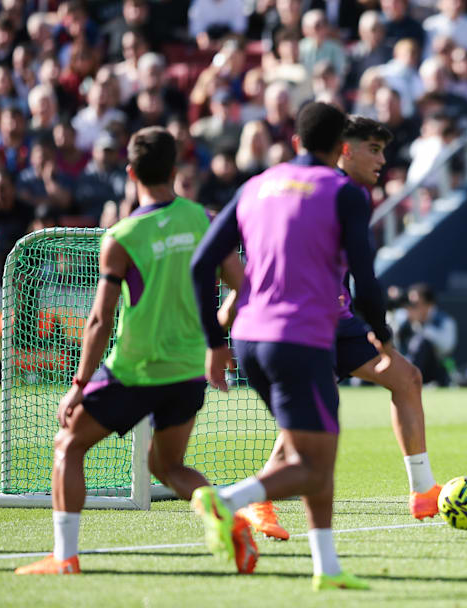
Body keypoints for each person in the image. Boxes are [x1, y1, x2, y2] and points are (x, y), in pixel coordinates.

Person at [15, 127, 253, 575]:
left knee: (68, 443)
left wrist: (79, 385)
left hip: (133, 369)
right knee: (169, 466)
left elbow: (99, 321)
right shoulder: (204, 218)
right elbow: (244, 285)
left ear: (130, 173)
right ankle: (228, 518)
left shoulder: (123, 235)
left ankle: (64, 557)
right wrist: (219, 335)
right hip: (188, 370)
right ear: (176, 170)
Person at [190, 102, 391, 591]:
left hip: (249, 339)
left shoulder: (255, 185)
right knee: (313, 465)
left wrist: (215, 343)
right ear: (342, 146)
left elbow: (201, 265)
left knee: (314, 455)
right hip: (299, 339)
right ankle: (227, 501)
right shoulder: (344, 192)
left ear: (296, 139)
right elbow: (364, 278)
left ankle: (328, 568)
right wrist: (383, 334)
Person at [226, 115, 442, 541]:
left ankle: (423, 491)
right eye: (373, 150)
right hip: (308, 325)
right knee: (309, 428)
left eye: (383, 150)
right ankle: (255, 501)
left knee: (406, 379)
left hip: (335, 320)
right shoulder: (330, 189)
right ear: (345, 148)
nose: (382, 160)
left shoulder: (352, 189)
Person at [392, 283, 457, 386]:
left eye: (415, 304)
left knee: (420, 342)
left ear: (429, 304)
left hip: (434, 373)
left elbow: (447, 347)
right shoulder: (403, 318)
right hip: (404, 365)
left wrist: (420, 327)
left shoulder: (445, 321)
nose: (411, 307)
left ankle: (408, 380)